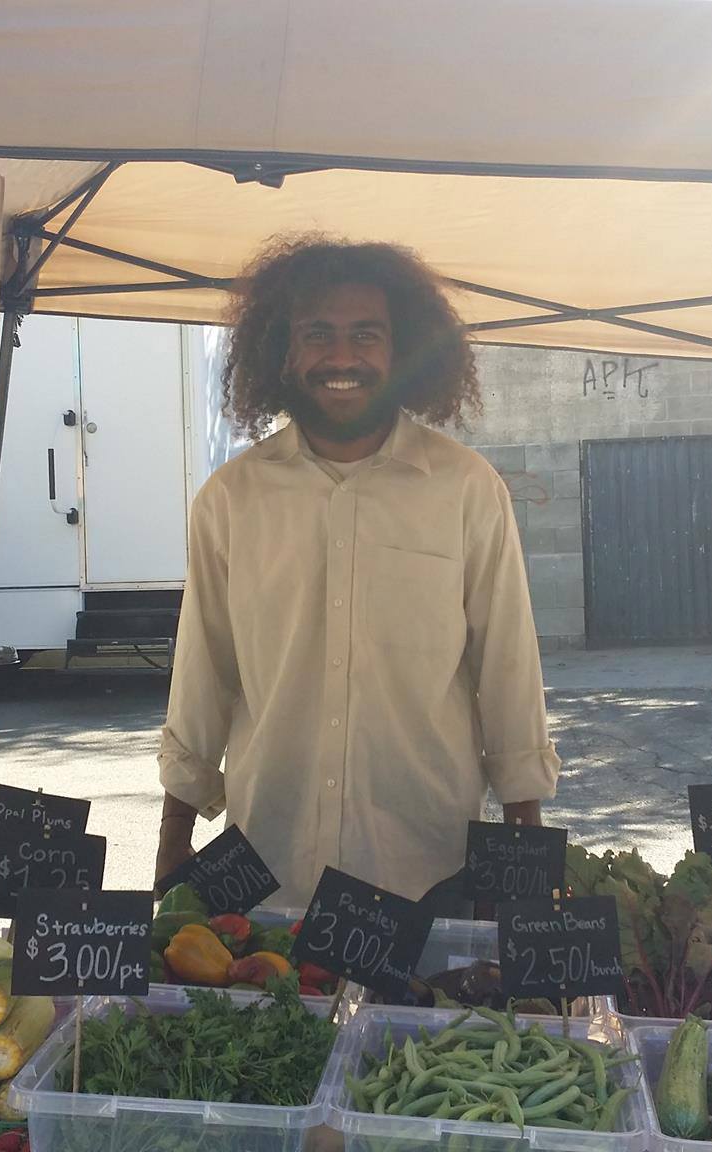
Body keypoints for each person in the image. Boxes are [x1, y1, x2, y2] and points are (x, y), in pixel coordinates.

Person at [154, 236, 562, 910]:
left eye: (364, 335)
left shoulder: (464, 489)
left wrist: (524, 840)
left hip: (426, 867)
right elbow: (203, 673)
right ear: (282, 351)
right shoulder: (230, 500)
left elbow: (508, 667)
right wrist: (173, 836)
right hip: (268, 867)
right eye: (318, 334)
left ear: (400, 349)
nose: (341, 357)